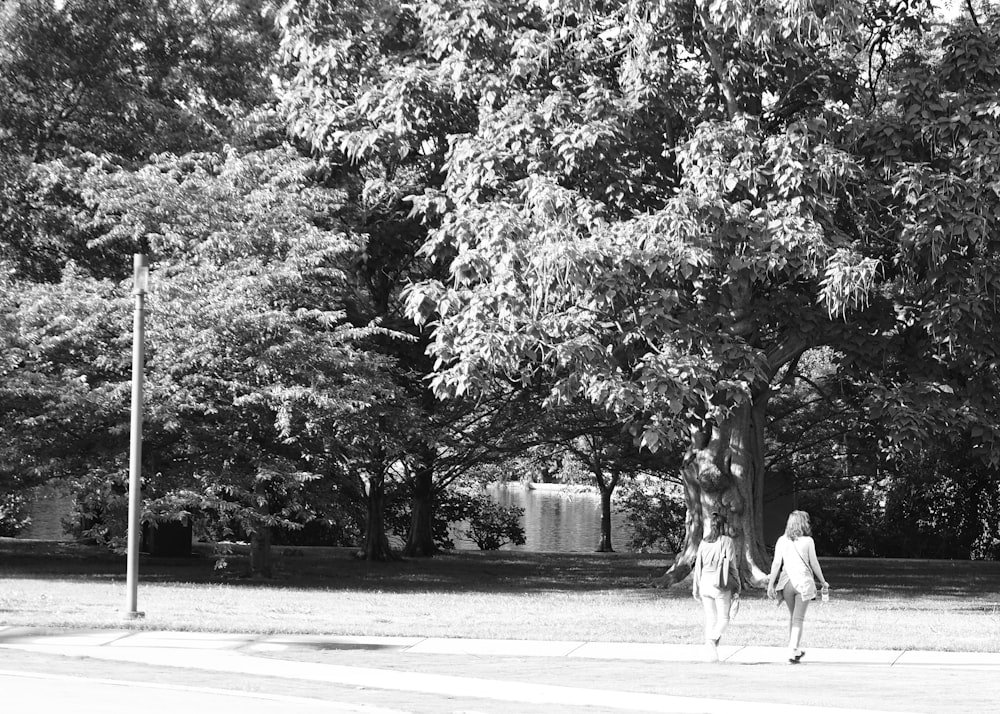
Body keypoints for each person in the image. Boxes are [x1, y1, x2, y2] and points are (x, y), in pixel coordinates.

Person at [767, 510, 829, 664]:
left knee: (793, 617)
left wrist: (770, 584)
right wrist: (823, 581)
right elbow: (814, 563)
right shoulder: (808, 541)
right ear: (804, 524)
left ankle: (794, 650)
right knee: (798, 618)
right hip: (803, 583)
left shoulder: (782, 540)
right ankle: (792, 648)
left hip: (786, 583)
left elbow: (776, 564)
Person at [692, 511, 741, 662]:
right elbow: (732, 565)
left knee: (711, 619)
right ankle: (712, 641)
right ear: (724, 526)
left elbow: (698, 567)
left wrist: (696, 587)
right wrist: (737, 584)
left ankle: (711, 655)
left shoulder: (703, 543)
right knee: (724, 618)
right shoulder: (726, 541)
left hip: (704, 584)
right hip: (720, 584)